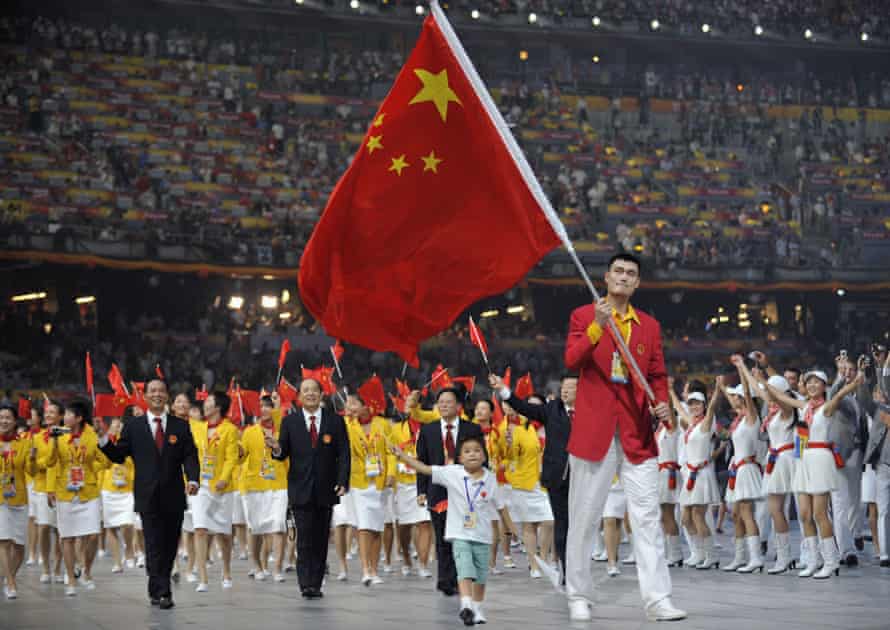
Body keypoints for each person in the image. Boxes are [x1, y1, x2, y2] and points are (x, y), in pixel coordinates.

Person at [563, 253, 685, 622]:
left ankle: (657, 599)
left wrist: (661, 403)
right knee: (584, 517)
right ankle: (579, 594)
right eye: (618, 271)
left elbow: (658, 374)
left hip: (637, 433)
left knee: (647, 517)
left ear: (637, 283)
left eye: (631, 273)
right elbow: (572, 360)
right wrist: (598, 326)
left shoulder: (648, 325)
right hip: (594, 432)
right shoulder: (584, 316)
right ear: (606, 277)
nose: (624, 277)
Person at [392, 435, 518, 626]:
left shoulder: (490, 479)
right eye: (467, 451)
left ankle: (477, 607)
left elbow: (501, 507)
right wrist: (403, 456)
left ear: (484, 456)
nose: (472, 454)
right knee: (465, 569)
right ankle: (466, 605)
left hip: (483, 536)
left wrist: (511, 528)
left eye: (477, 450)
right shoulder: (452, 473)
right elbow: (425, 468)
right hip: (460, 534)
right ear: (460, 457)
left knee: (481, 576)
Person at [99, 379, 200, 608]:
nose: (157, 394)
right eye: (152, 391)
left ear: (167, 396)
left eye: (161, 391)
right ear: (145, 397)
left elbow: (190, 456)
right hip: (147, 495)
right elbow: (118, 455)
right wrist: (103, 438)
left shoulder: (180, 426)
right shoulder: (134, 426)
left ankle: (156, 586)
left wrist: (193, 479)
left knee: (170, 544)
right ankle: (163, 591)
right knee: (154, 543)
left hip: (174, 494)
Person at [765, 365, 864, 578]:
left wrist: (853, 384)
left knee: (820, 513)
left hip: (820, 458)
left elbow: (839, 395)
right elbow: (780, 396)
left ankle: (831, 560)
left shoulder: (826, 407)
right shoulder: (804, 407)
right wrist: (761, 380)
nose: (811, 385)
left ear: (823, 386)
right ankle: (813, 559)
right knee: (804, 514)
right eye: (808, 382)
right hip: (803, 460)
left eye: (816, 382)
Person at [267, 378, 351, 599]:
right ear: (299, 396)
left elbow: (344, 454)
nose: (311, 394)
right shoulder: (290, 422)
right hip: (300, 488)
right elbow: (282, 452)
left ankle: (317, 581)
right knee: (304, 537)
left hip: (326, 487)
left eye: (314, 390)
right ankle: (306, 584)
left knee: (321, 537)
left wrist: (343, 481)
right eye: (306, 390)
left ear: (322, 394)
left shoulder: (335, 421)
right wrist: (276, 448)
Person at [490, 372, 575, 584]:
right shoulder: (552, 409)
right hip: (556, 478)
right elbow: (523, 407)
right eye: (562, 386)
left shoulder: (590, 411)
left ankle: (577, 566)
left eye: (570, 387)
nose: (564, 390)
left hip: (584, 476)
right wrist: (503, 390)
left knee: (579, 526)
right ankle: (565, 569)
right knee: (560, 524)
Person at [415, 387, 484, 597]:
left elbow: (483, 458)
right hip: (438, 491)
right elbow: (422, 462)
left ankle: (459, 577)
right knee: (444, 536)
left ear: (458, 406)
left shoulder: (472, 429)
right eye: (441, 402)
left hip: (465, 491)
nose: (444, 405)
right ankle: (445, 579)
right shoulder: (428, 430)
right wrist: (421, 490)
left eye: (449, 402)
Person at [45, 399, 106, 597]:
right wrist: (53, 441)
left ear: (79, 418)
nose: (65, 418)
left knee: (94, 533)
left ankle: (86, 570)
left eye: (70, 414)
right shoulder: (59, 435)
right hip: (65, 491)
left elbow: (104, 461)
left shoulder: (91, 435)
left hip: (88, 491)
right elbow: (50, 461)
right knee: (67, 537)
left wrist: (91, 468)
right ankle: (71, 577)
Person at [190, 391, 239, 592]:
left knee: (223, 534)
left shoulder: (230, 430)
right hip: (202, 486)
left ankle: (226, 570)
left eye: (208, 401)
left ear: (217, 407)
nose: (205, 404)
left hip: (223, 488)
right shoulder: (198, 428)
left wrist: (224, 478)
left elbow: (231, 457)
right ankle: (203, 577)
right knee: (200, 529)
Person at [240, 395, 288, 582]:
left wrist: (276, 448)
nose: (265, 409)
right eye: (261, 406)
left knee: (278, 526)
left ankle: (277, 568)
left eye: (269, 406)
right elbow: (241, 456)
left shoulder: (284, 431)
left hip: (278, 483)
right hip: (254, 485)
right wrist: (237, 449)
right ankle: (257, 566)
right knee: (256, 528)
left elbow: (288, 456)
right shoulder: (250, 432)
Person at [386, 399, 434, 579]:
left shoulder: (430, 426)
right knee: (405, 525)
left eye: (413, 405)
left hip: (425, 479)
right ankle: (406, 558)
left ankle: (423, 564)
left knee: (424, 522)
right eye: (406, 405)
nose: (409, 408)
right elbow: (392, 454)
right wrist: (391, 473)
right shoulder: (397, 429)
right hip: (404, 482)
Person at [0, 404, 36, 599]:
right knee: (3, 540)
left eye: (7, 418)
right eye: (1, 417)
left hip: (19, 497)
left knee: (19, 546)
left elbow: (31, 471)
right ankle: (11, 583)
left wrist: (32, 459)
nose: (3, 421)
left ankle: (9, 576)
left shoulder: (23, 443)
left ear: (14, 422)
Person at [30, 400, 64, 584]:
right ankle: (45, 567)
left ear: (61, 416)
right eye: (47, 412)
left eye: (53, 412)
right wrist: (42, 462)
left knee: (60, 530)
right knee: (43, 527)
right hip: (42, 488)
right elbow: (36, 463)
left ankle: (58, 567)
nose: (48, 415)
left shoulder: (66, 436)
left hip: (62, 487)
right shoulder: (37, 438)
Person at [98, 416, 136, 573]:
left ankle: (129, 548)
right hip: (108, 489)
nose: (116, 428)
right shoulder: (104, 443)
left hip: (126, 490)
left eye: (119, 426)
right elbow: (101, 465)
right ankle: (117, 561)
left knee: (127, 523)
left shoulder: (128, 443)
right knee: (110, 526)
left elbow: (135, 465)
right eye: (113, 426)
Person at [863, 352, 889, 567]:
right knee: (883, 508)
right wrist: (877, 367)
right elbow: (865, 398)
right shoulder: (879, 409)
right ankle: (885, 554)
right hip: (883, 463)